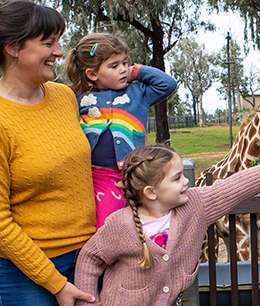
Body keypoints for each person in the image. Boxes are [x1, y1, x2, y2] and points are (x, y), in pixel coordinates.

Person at [74, 145, 260, 306]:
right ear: (151, 192)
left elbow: (232, 188)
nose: (187, 181)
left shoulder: (195, 207)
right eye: (177, 178)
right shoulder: (120, 225)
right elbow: (89, 259)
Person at [0, 0, 95, 306]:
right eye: (48, 43)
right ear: (13, 48)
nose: (59, 51)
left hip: (87, 260)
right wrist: (55, 283)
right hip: (28, 273)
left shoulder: (64, 98)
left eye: (58, 41)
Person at [65, 33, 177, 228]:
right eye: (114, 65)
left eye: (125, 62)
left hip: (135, 173)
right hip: (96, 176)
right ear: (92, 74)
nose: (123, 69)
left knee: (146, 222)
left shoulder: (138, 93)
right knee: (107, 225)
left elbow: (167, 84)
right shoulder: (78, 99)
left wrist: (136, 71)